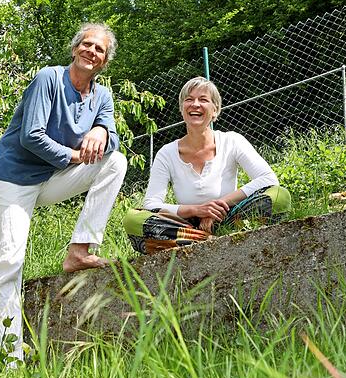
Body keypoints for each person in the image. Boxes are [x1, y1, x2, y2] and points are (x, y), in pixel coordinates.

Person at [0, 23, 127, 362]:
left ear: (105, 61)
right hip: (13, 180)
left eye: (99, 50)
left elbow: (113, 142)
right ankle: (8, 357)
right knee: (9, 260)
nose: (91, 52)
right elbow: (30, 136)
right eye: (87, 44)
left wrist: (102, 132)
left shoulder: (102, 96)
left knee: (116, 162)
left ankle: (79, 250)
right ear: (75, 47)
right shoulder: (48, 79)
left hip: (51, 179)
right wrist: (77, 155)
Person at [124, 77, 291, 254]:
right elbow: (151, 203)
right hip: (184, 225)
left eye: (203, 100)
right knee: (132, 220)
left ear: (215, 110)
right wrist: (196, 210)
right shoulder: (166, 153)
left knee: (280, 196)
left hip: (229, 216)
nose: (195, 104)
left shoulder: (232, 140)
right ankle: (210, 239)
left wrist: (216, 207)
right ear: (182, 109)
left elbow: (268, 179)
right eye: (189, 99)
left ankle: (208, 237)